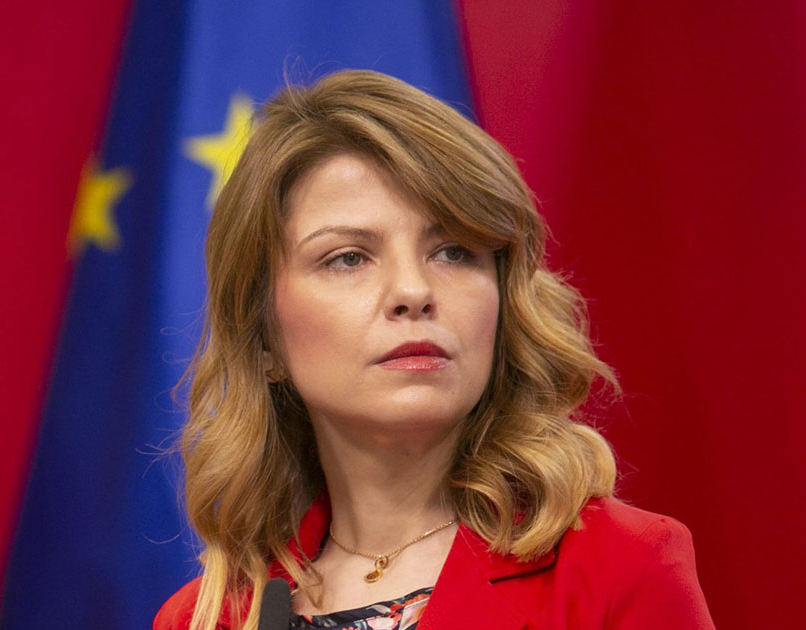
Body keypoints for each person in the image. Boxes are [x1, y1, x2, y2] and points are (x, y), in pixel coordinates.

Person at [155, 70, 714, 630]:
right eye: (348, 258)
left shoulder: (624, 567)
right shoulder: (201, 618)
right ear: (264, 340)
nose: (413, 290)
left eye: (453, 251)